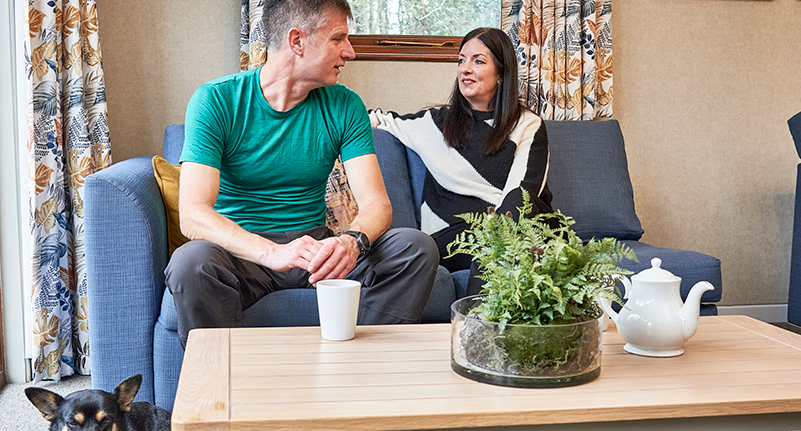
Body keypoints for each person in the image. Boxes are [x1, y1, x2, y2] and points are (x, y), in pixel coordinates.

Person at [165, 0, 439, 348]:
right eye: (338, 38)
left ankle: (363, 369)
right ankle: (227, 384)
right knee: (191, 262)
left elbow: (377, 204)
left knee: (416, 248)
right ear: (297, 41)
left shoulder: (345, 104)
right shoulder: (216, 101)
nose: (350, 52)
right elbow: (193, 215)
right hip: (243, 254)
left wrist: (349, 242)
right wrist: (271, 253)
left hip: (318, 252)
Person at [368, 27, 552, 293]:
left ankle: (480, 328)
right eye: (461, 60)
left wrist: (497, 233)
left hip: (514, 226)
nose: (465, 69)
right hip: (453, 236)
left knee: (515, 218)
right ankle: (478, 330)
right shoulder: (434, 123)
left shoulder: (526, 124)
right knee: (494, 245)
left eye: (478, 61)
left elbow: (523, 191)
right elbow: (376, 119)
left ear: (501, 74)